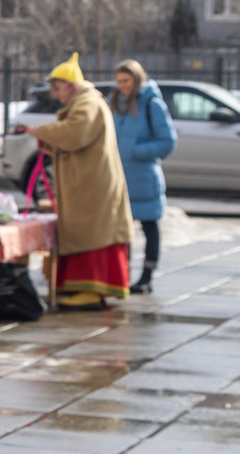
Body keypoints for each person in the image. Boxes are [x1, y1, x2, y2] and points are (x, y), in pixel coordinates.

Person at [27, 54, 135, 309]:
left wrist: (41, 131)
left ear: (71, 86)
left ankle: (92, 288)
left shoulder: (87, 103)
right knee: (86, 233)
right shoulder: (86, 102)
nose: (56, 95)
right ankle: (80, 285)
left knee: (92, 234)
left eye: (57, 88)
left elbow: (75, 134)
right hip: (89, 184)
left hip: (92, 188)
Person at [112, 59, 176, 294]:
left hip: (144, 176)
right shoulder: (116, 103)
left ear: (137, 79)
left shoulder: (151, 104)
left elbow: (167, 142)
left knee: (149, 226)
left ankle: (147, 276)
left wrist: (137, 152)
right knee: (122, 229)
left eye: (126, 81)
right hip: (120, 178)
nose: (122, 86)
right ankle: (122, 274)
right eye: (119, 81)